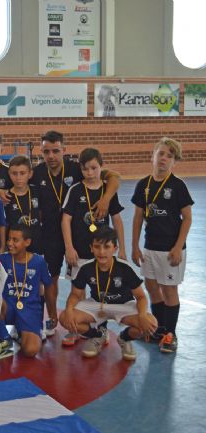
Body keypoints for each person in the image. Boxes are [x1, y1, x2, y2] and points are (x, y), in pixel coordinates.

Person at [30, 131, 120, 340]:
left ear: (64, 150)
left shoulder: (77, 169)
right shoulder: (37, 173)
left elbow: (114, 177)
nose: (51, 155)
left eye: (55, 151)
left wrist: (106, 197)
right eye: (46, 151)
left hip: (78, 235)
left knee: (84, 281)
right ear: (41, 152)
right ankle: (52, 317)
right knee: (50, 279)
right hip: (50, 235)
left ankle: (91, 322)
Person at [131, 137, 193, 353]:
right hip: (150, 247)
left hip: (170, 250)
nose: (164, 158)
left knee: (169, 291)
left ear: (174, 162)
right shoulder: (143, 185)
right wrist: (135, 246)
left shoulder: (178, 186)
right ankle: (159, 328)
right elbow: (138, 218)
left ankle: (170, 334)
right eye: (161, 153)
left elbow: (187, 218)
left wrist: (178, 247)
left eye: (169, 155)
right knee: (151, 287)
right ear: (153, 156)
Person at [59, 227, 158, 360]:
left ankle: (124, 338)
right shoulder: (86, 268)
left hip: (123, 305)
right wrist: (69, 310)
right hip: (97, 305)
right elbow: (75, 294)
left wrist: (142, 316)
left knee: (151, 324)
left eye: (107, 247)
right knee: (65, 318)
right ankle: (97, 335)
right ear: (91, 248)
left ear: (115, 249)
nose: (102, 252)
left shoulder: (125, 268)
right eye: (97, 247)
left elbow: (140, 296)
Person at [61, 147, 125, 346]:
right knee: (77, 292)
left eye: (94, 168)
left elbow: (117, 220)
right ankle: (75, 328)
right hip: (79, 252)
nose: (90, 173)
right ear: (80, 169)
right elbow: (66, 220)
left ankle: (102, 329)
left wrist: (121, 248)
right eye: (86, 169)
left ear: (101, 167)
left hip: (102, 254)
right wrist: (69, 248)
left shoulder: (108, 190)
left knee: (101, 293)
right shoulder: (76, 190)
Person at [0, 225, 53, 358]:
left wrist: (53, 313)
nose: (10, 243)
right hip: (7, 307)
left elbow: (49, 286)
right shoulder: (1, 260)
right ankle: (5, 335)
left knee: (31, 350)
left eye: (15, 240)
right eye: (9, 239)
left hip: (29, 308)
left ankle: (22, 332)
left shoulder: (39, 262)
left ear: (27, 242)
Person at [4, 155, 44, 255]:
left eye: (22, 173)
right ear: (9, 174)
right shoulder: (6, 197)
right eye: (14, 173)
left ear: (30, 174)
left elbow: (41, 214)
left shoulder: (36, 191)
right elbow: (4, 225)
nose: (18, 178)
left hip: (37, 245)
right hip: (15, 248)